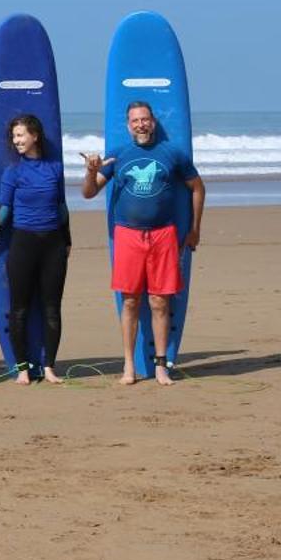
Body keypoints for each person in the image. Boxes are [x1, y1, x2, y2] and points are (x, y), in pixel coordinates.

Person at [82, 101, 206, 387]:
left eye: (145, 119)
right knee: (130, 301)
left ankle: (161, 366)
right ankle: (129, 365)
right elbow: (89, 193)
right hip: (127, 235)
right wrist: (91, 170)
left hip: (164, 234)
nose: (141, 124)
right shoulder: (117, 155)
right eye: (135, 120)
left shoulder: (173, 153)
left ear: (153, 122)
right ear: (128, 125)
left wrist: (195, 229)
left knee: (160, 301)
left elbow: (197, 187)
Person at [0, 114, 70, 384]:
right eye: (14, 137)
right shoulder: (14, 172)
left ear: (35, 135)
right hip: (23, 243)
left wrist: (67, 240)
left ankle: (49, 367)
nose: (16, 140)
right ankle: (22, 368)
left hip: (53, 244)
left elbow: (61, 208)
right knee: (19, 309)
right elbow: (4, 211)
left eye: (20, 135)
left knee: (51, 308)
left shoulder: (55, 169)